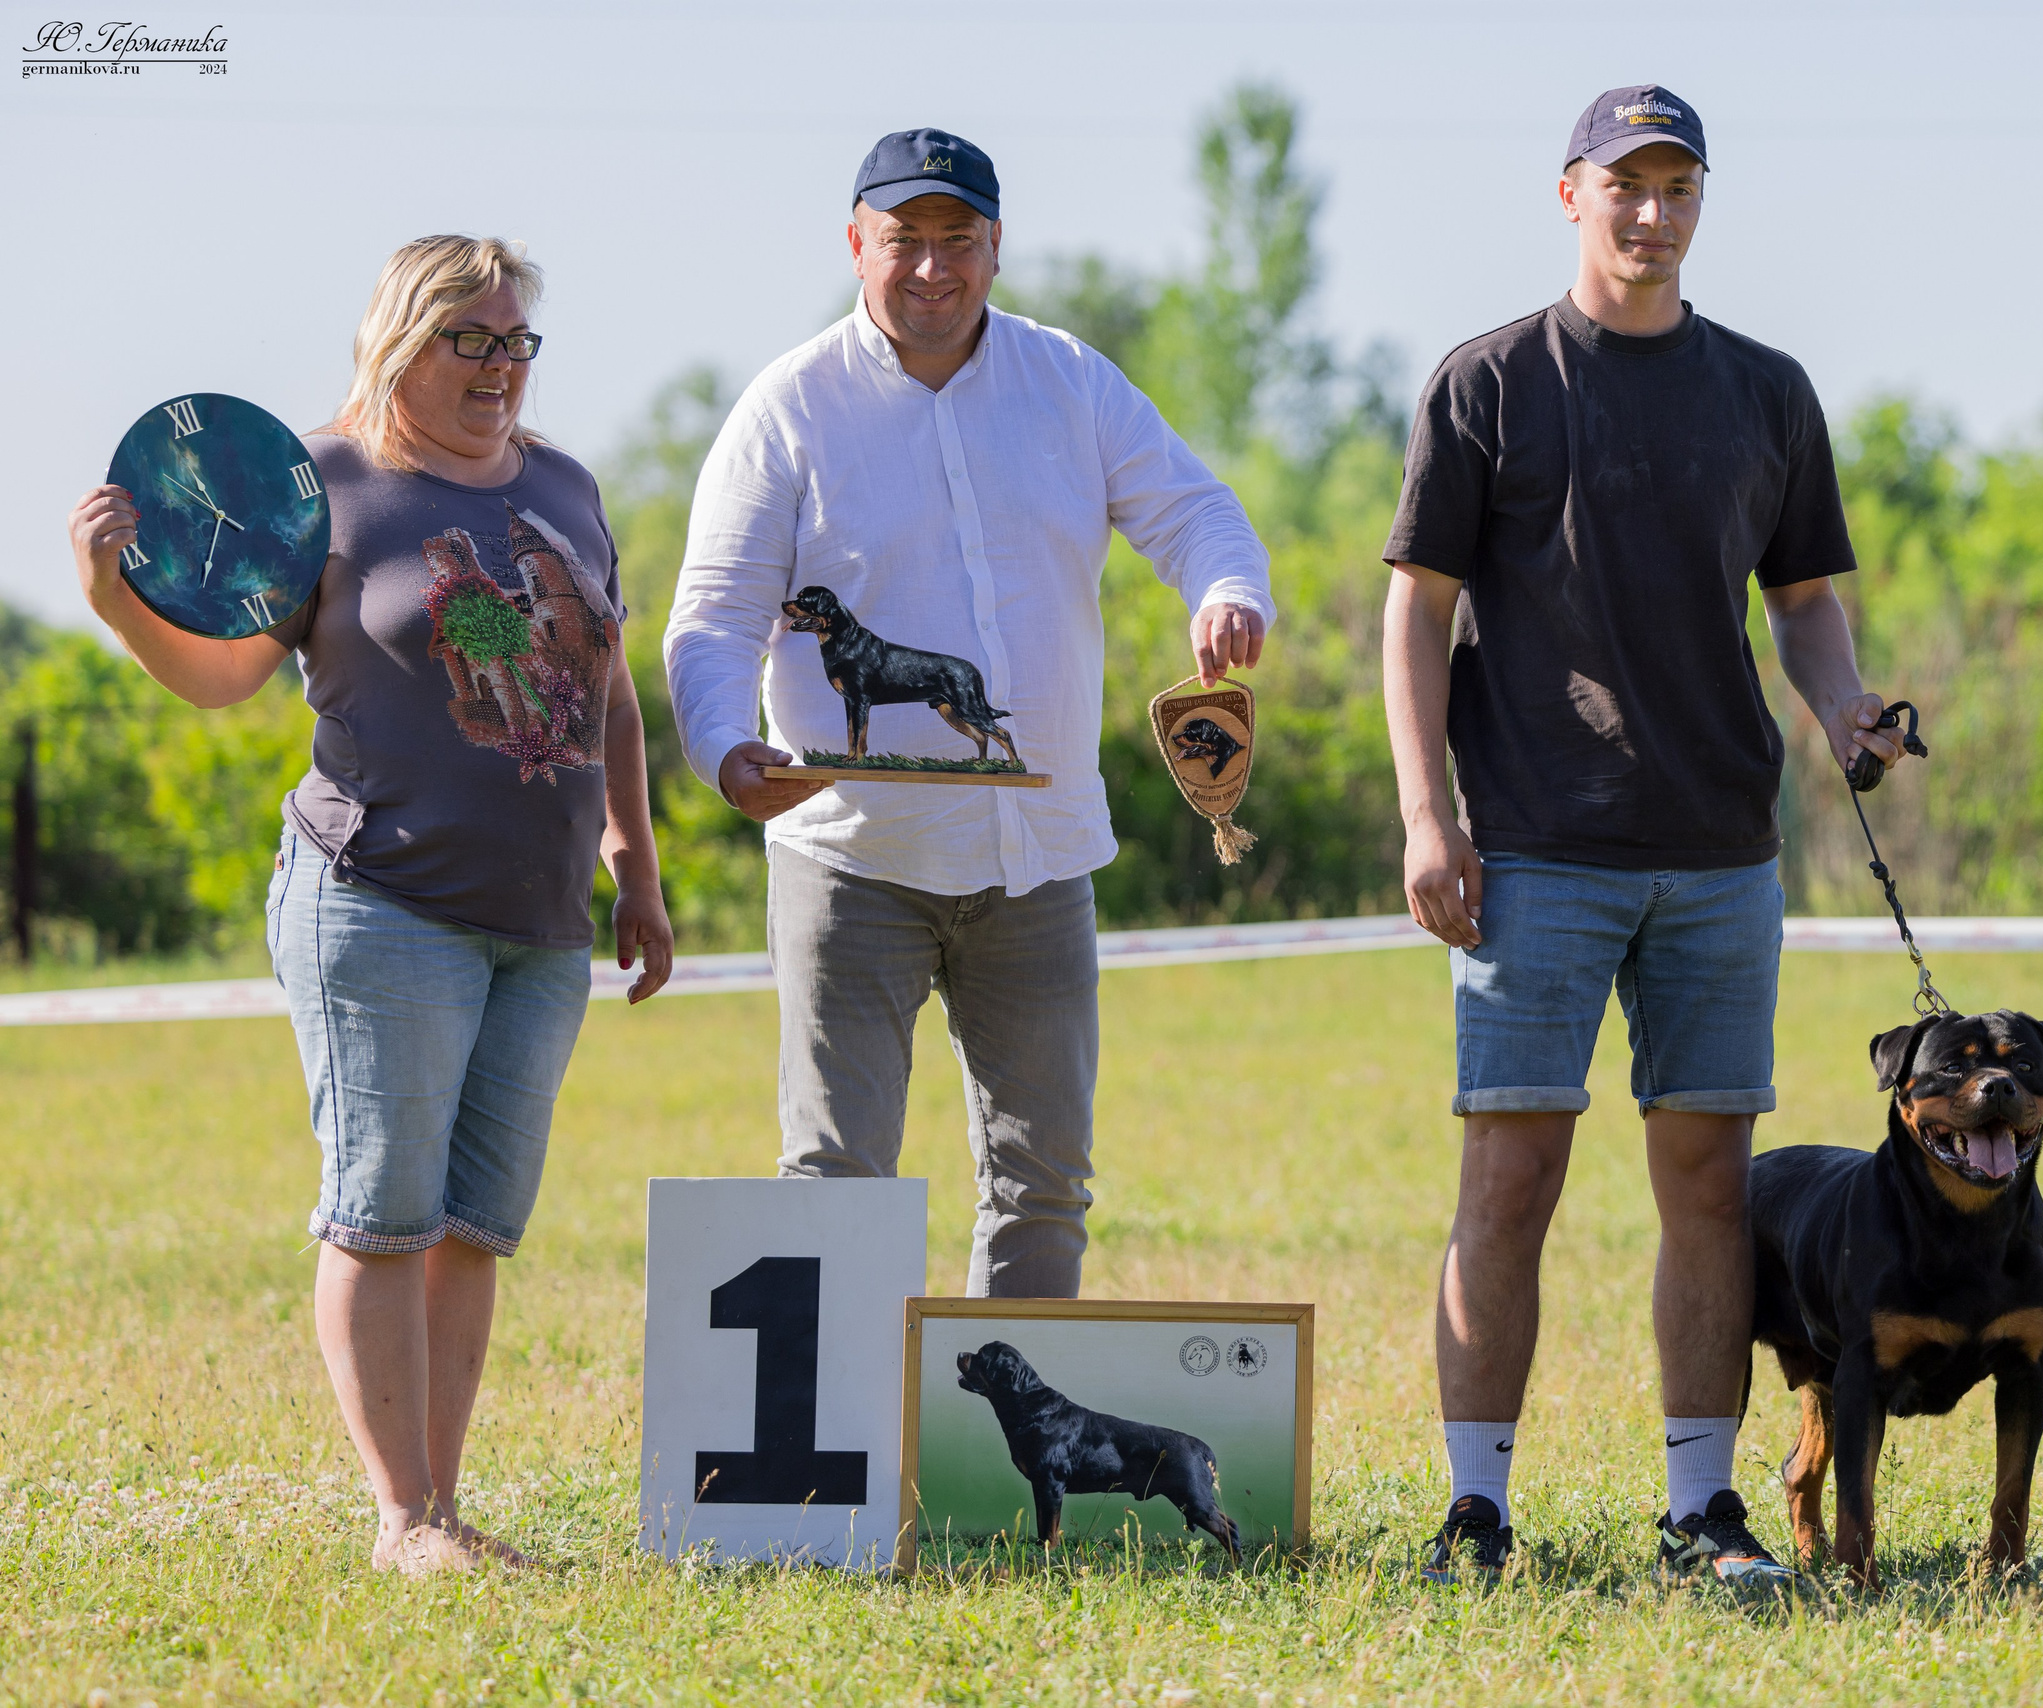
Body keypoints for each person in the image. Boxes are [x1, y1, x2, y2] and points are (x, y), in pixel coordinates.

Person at [65, 235, 674, 1575]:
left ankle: (444, 1509)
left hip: (545, 923)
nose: (501, 369)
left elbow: (611, 692)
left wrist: (637, 862)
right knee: (383, 1210)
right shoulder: (318, 486)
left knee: (474, 1229)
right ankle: (403, 1519)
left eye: (518, 344)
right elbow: (227, 681)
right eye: (473, 340)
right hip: (378, 901)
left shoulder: (566, 487)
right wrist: (117, 605)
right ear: (403, 338)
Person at [1382, 86, 1907, 1585]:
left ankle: (1700, 1511)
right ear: (1571, 196)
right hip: (1534, 849)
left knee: (1706, 1186)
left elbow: (1804, 605)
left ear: (1699, 203)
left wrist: (1848, 707)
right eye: (1624, 185)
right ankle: (1475, 1515)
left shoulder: (1766, 391)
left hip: (1722, 851)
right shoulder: (1487, 383)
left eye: (1676, 187)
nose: (1650, 211)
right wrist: (1431, 816)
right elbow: (1413, 618)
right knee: (1510, 1183)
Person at [663, 129, 1272, 1298]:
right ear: (856, 245)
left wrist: (1227, 591)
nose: (932, 268)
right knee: (838, 1177)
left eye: (959, 241)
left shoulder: (1073, 382)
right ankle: (835, 1475)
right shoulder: (786, 407)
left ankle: (990, 1474)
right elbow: (715, 616)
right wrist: (725, 749)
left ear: (998, 248)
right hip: (850, 862)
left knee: (1042, 1182)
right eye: (905, 241)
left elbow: (1197, 513)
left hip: (1036, 866)